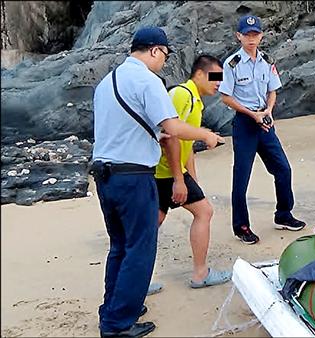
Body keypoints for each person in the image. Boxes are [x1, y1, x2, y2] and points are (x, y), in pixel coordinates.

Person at [91, 26, 223, 338]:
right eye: (164, 55)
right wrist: (206, 135)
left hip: (104, 175)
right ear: (153, 51)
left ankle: (116, 308)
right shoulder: (147, 81)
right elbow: (173, 127)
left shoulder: (106, 82)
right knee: (140, 248)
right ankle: (117, 325)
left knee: (120, 246)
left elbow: (122, 128)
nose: (164, 61)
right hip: (133, 177)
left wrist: (155, 135)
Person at [219, 15, 306, 245]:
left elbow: (273, 89)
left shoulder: (267, 61)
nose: (251, 39)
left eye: (255, 34)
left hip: (265, 121)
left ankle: (284, 214)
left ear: (261, 35)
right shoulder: (231, 64)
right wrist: (252, 114)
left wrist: (268, 110)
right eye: (246, 35)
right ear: (238, 36)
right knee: (241, 177)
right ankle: (242, 227)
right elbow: (225, 97)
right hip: (245, 123)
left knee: (283, 169)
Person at [153, 54, 231, 289]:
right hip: (165, 172)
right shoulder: (182, 95)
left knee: (151, 223)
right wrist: (179, 179)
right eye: (215, 77)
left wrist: (192, 179)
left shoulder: (194, 100)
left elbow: (187, 145)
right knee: (204, 212)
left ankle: (137, 279)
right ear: (199, 74)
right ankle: (200, 273)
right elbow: (170, 137)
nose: (219, 83)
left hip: (168, 171)